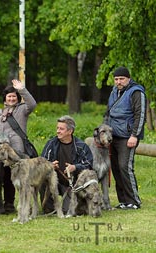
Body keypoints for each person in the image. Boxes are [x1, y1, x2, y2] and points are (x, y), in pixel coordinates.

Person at [102, 66, 147, 210]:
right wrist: (104, 132)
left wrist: (134, 135)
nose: (118, 82)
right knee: (115, 167)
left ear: (128, 78)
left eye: (121, 79)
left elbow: (140, 115)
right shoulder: (114, 91)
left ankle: (134, 201)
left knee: (125, 167)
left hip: (127, 137)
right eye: (116, 79)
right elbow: (108, 112)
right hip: (112, 136)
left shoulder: (136, 92)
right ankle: (123, 201)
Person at [0, 79, 35, 214]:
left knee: (14, 177)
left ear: (17, 98)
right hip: (0, 151)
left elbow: (32, 104)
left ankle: (13, 204)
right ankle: (0, 205)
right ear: (5, 99)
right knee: (1, 177)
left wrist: (22, 89)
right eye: (9, 96)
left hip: (16, 151)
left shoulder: (22, 110)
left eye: (14, 96)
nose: (11, 98)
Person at [40, 116, 94, 211]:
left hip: (72, 184)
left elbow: (89, 165)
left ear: (70, 131)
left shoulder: (82, 146)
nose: (58, 131)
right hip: (54, 181)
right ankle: (49, 209)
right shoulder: (51, 144)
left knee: (68, 211)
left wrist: (75, 167)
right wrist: (50, 166)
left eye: (61, 129)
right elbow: (41, 163)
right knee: (42, 179)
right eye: (57, 128)